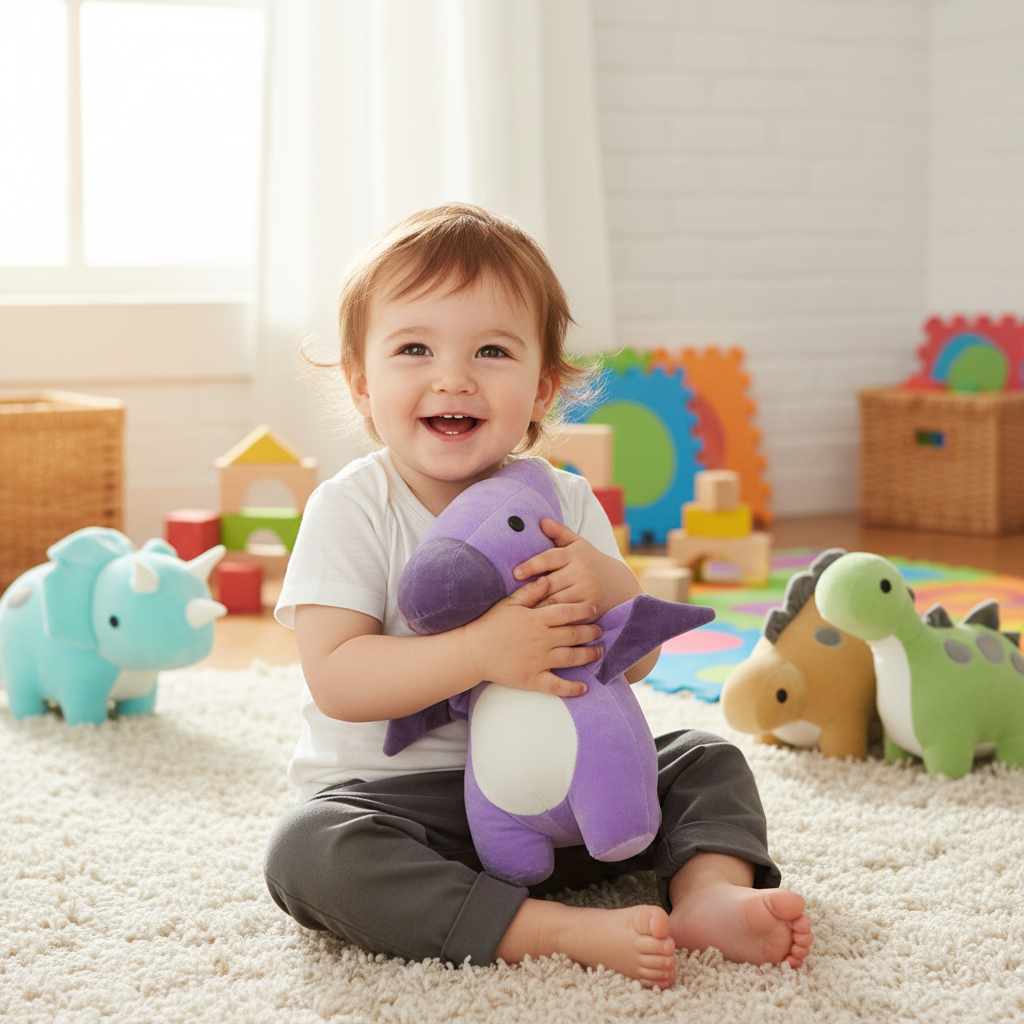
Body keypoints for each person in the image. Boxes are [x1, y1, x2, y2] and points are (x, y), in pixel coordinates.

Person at [263, 203, 812, 989]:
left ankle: (706, 895)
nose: (453, 376)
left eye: (491, 350)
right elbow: (340, 679)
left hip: (574, 800)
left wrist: (610, 583)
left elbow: (643, 660)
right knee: (309, 850)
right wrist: (480, 652)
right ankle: (548, 929)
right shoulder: (353, 507)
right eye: (414, 348)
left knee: (705, 758)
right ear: (361, 384)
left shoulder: (563, 500)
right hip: (418, 811)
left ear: (543, 387)